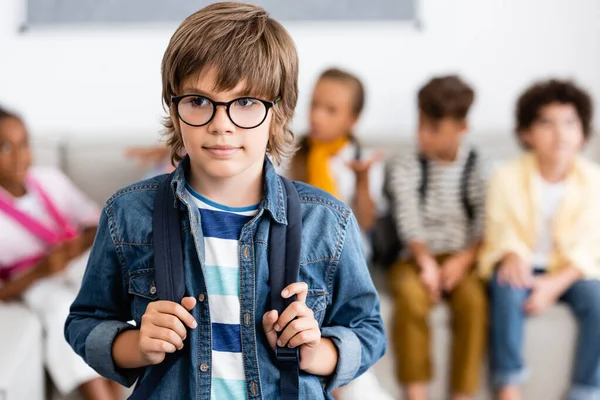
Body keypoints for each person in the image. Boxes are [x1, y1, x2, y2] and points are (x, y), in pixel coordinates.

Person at [64, 3, 386, 399]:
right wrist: (135, 346)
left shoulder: (329, 221)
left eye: (246, 102)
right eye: (199, 101)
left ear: (279, 112)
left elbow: (367, 329)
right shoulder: (127, 214)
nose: (221, 124)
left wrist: (319, 352)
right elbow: (84, 321)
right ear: (174, 106)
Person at [479, 79, 600, 400]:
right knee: (506, 286)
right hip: (524, 264)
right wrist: (512, 254)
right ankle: (508, 381)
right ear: (526, 133)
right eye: (547, 123)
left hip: (571, 271)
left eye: (570, 123)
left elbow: (591, 245)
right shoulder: (505, 176)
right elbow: (500, 227)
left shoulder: (594, 180)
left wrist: (554, 284)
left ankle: (587, 389)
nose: (560, 133)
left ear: (583, 133)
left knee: (598, 298)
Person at [0, 107, 120, 400]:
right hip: (34, 281)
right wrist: (41, 270)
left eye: (24, 143)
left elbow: (98, 223)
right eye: (5, 147)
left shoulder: (48, 179)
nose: (19, 156)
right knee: (60, 311)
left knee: (109, 287)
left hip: (73, 261)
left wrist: (74, 247)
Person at [288, 68, 392, 400]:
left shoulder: (361, 161)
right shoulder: (292, 153)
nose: (317, 116)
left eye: (330, 110)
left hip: (345, 265)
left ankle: (344, 377)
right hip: (301, 262)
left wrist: (362, 181)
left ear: (353, 119)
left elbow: (367, 223)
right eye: (314, 104)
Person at [386, 76, 488, 400]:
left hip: (461, 255)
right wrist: (425, 261)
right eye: (420, 124)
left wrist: (463, 260)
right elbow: (408, 216)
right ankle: (417, 393)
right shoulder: (406, 162)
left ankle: (463, 393)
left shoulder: (477, 164)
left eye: (433, 128)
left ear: (461, 128)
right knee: (409, 296)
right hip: (415, 257)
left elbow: (486, 221)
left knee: (473, 301)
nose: (422, 135)